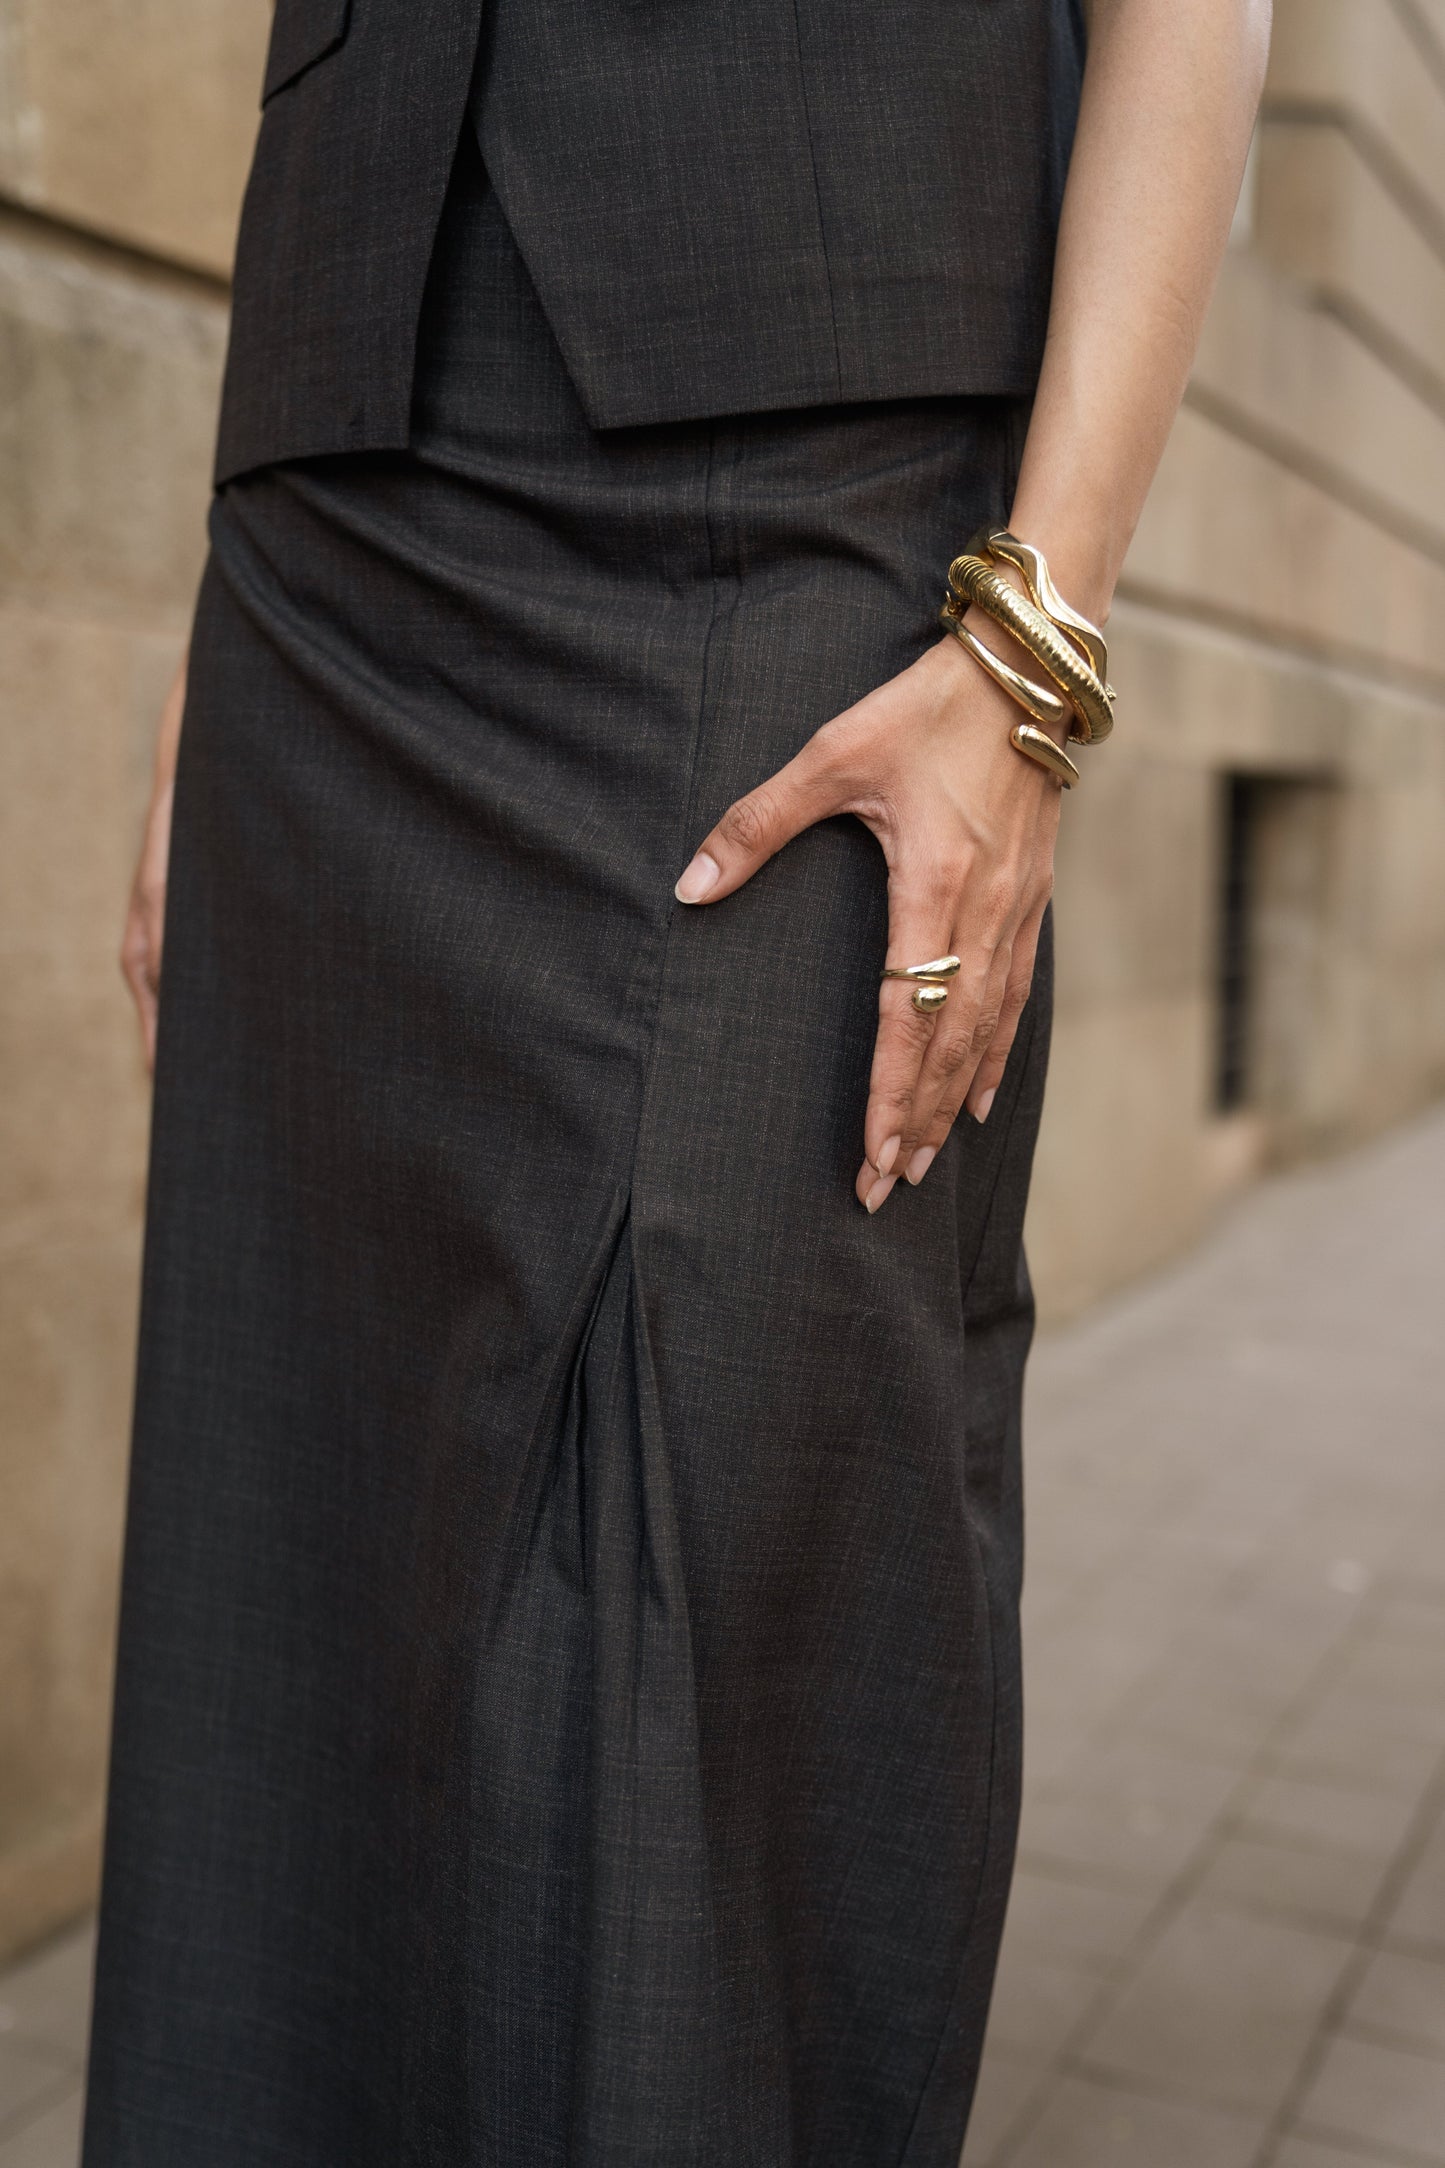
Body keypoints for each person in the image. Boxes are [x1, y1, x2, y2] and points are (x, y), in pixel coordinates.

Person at [87, 2, 1271, 2161]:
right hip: (340, 525)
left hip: (817, 486)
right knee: (301, 1613)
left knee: (733, 1610)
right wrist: (219, 587)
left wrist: (1036, 647)